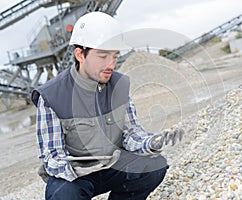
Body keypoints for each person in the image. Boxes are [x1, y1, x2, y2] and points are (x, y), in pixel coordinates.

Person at [31, 12, 184, 200]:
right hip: (76, 176)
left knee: (154, 166)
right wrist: (82, 171)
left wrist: (153, 142)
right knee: (62, 194)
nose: (111, 64)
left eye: (114, 56)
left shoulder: (119, 86)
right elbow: (53, 156)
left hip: (115, 165)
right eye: (103, 56)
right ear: (80, 54)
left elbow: (131, 133)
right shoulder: (51, 96)